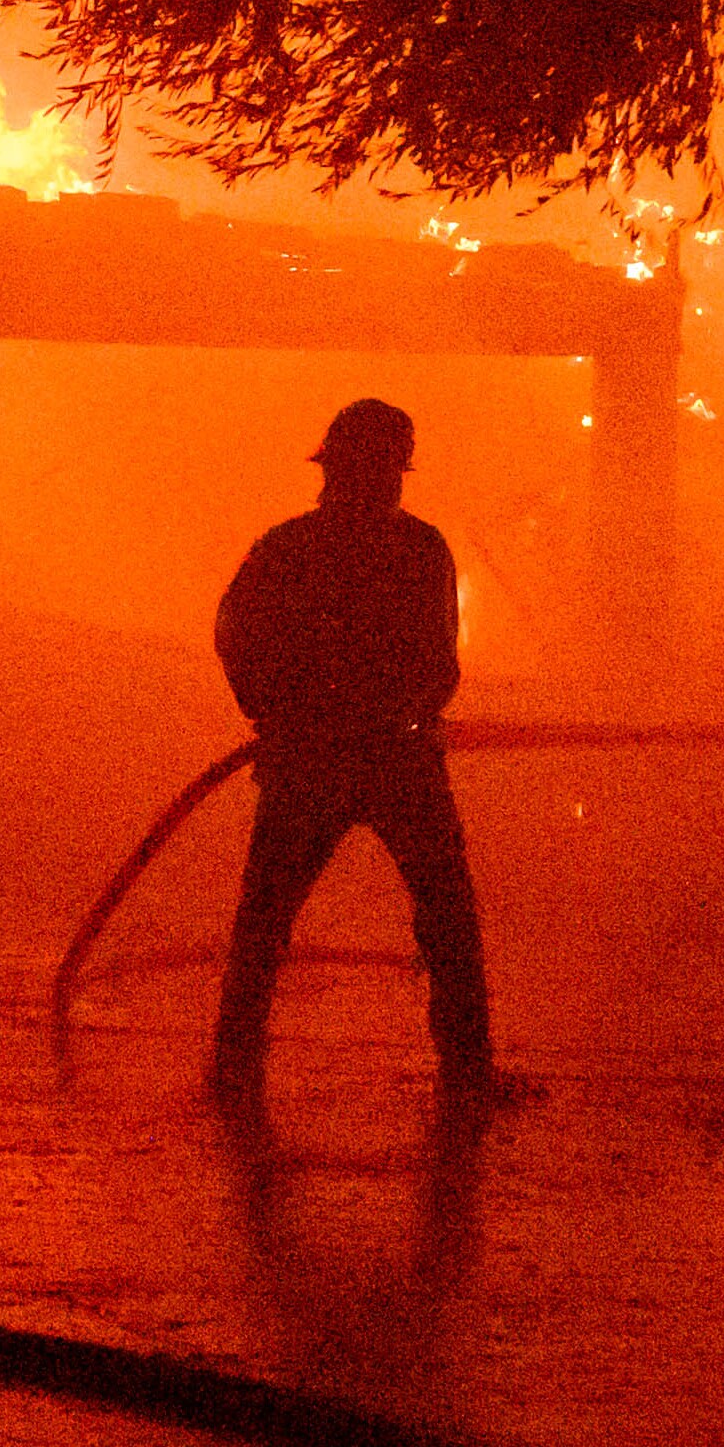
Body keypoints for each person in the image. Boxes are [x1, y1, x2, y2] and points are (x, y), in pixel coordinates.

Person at [209, 398, 531, 1105]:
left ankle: (230, 1067)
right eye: (383, 467)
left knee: (266, 916)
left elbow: (235, 634)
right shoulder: (418, 548)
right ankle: (469, 1072)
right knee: (444, 916)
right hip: (394, 761)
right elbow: (440, 662)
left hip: (321, 760)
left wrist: (273, 712)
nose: (385, 481)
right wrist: (401, 712)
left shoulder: (287, 546)